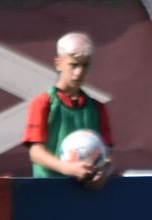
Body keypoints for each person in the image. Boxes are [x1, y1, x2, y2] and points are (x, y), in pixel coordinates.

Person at [22, 32, 113, 188]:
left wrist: (105, 172)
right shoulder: (43, 102)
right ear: (58, 63)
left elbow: (107, 156)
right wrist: (69, 168)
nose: (79, 72)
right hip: (48, 192)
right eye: (73, 64)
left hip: (87, 195)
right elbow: (35, 153)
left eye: (85, 65)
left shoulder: (98, 108)